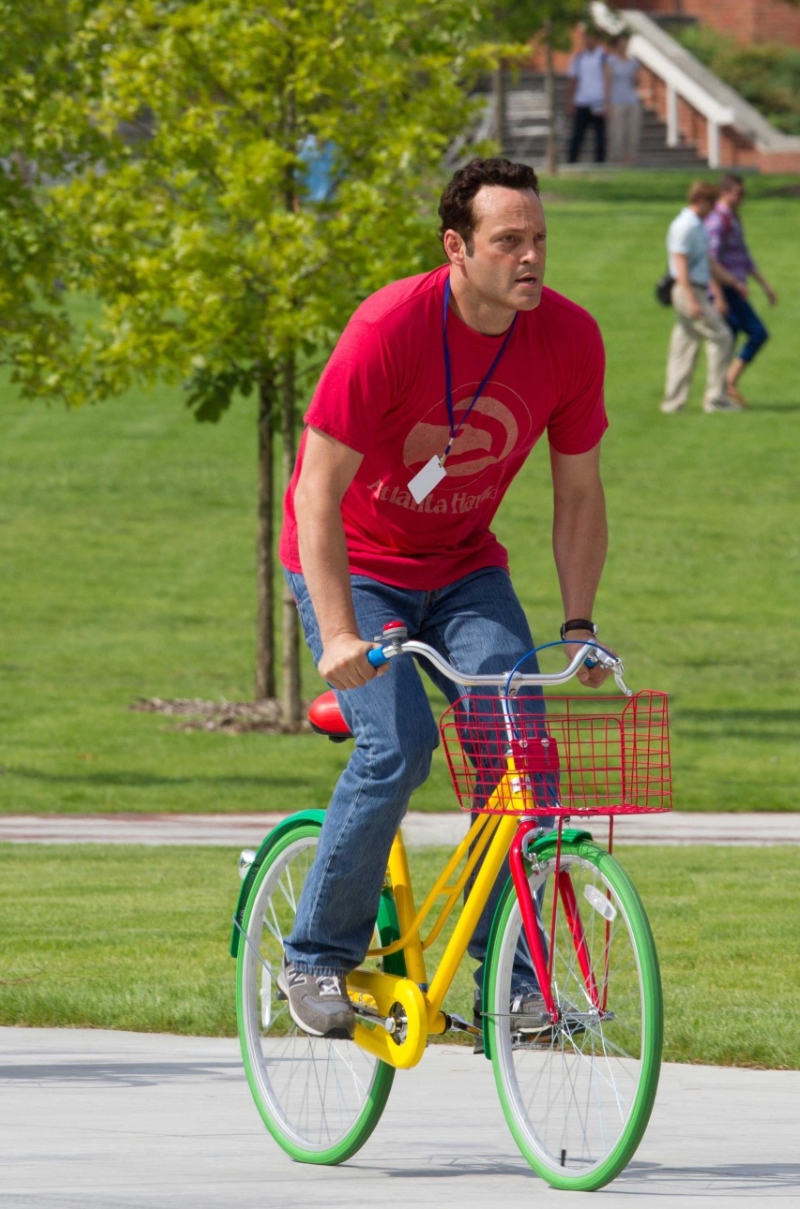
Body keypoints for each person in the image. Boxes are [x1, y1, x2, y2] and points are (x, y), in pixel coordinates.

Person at [277, 156, 611, 1038]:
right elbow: (315, 490)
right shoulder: (389, 327)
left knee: (521, 759)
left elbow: (579, 492)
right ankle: (314, 956)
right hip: (357, 563)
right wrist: (340, 633)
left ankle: (510, 979)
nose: (531, 257)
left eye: (539, 239)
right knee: (399, 746)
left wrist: (579, 623)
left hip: (464, 567)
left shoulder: (570, 339)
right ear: (457, 247)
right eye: (510, 241)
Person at [661, 180, 739, 414]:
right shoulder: (685, 226)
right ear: (701, 200)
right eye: (712, 203)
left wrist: (731, 283)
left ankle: (673, 403)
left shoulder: (697, 225)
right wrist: (692, 300)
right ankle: (716, 398)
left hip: (694, 289)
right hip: (688, 290)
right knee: (722, 336)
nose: (714, 208)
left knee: (684, 346)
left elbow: (708, 263)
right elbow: (681, 265)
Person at [705, 174, 779, 407]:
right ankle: (727, 384)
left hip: (736, 289)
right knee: (757, 333)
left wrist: (765, 286)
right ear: (724, 192)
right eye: (738, 193)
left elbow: (745, 258)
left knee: (730, 341)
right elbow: (711, 262)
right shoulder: (718, 222)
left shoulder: (733, 219)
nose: (741, 198)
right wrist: (717, 295)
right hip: (727, 290)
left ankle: (721, 391)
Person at [566, 27, 609, 165]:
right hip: (582, 101)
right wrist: (570, 101)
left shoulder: (603, 56)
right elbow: (573, 80)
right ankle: (572, 161)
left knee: (600, 135)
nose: (587, 40)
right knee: (577, 135)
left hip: (598, 101)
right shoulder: (578, 57)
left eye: (590, 37)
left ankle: (600, 162)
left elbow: (608, 80)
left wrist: (607, 102)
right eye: (586, 37)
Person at [604, 34, 642, 167]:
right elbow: (607, 83)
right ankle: (616, 159)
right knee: (617, 132)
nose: (624, 44)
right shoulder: (611, 60)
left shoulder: (633, 62)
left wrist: (636, 78)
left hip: (632, 100)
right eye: (622, 41)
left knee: (632, 132)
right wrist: (607, 103)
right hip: (616, 101)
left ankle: (630, 159)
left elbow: (638, 82)